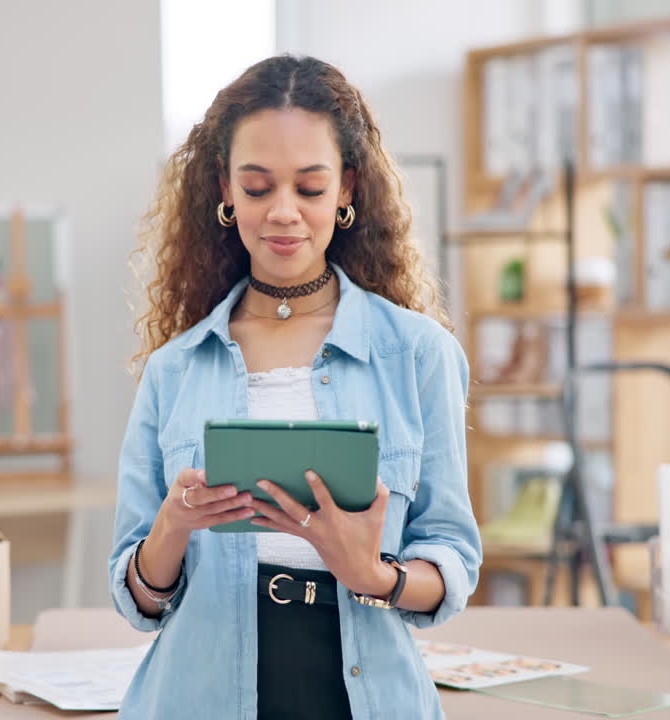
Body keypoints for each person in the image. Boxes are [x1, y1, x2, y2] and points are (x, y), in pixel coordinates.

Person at [109, 54, 481, 719]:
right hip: (199, 695)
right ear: (224, 190)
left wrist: (373, 575)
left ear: (348, 190)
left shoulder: (419, 355)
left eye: (309, 188)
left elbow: (451, 558)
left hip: (364, 695)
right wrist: (171, 526)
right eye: (258, 188)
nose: (284, 213)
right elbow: (137, 598)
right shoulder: (175, 369)